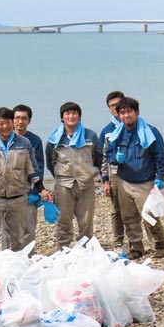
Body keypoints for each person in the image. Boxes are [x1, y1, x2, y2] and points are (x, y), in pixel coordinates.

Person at [103, 97, 164, 259]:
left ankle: (160, 245)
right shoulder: (117, 134)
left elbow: (160, 155)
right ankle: (136, 247)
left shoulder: (150, 132)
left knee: (150, 215)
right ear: (118, 115)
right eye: (122, 113)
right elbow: (108, 154)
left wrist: (160, 176)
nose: (126, 116)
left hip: (145, 181)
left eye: (129, 112)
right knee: (129, 218)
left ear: (137, 112)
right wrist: (115, 158)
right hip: (125, 181)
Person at [0, 107, 51, 252]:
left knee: (18, 238)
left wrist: (41, 189)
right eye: (1, 123)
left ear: (12, 123)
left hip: (18, 198)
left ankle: (17, 268)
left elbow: (32, 169)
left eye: (7, 122)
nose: (5, 126)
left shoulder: (25, 144)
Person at [45, 102, 102, 246]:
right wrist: (61, 175)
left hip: (86, 183)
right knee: (63, 219)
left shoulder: (90, 135)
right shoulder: (55, 138)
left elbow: (98, 157)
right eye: (67, 113)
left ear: (80, 116)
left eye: (74, 113)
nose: (71, 116)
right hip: (64, 184)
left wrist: (89, 171)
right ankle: (64, 247)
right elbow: (50, 161)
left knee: (86, 220)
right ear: (62, 117)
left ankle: (85, 248)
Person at [1, 104, 45, 248]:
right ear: (12, 120)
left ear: (29, 121)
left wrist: (36, 191)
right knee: (7, 230)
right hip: (7, 193)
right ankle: (7, 260)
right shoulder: (4, 138)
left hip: (28, 192)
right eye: (17, 118)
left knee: (28, 230)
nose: (20, 122)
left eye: (24, 119)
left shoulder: (35, 140)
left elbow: (38, 167)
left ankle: (27, 260)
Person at [99, 91, 126, 247]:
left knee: (142, 208)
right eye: (112, 106)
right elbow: (102, 158)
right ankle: (118, 242)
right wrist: (105, 181)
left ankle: (153, 242)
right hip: (115, 174)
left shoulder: (137, 125)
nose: (115, 108)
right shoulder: (107, 131)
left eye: (118, 104)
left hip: (138, 173)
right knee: (116, 210)